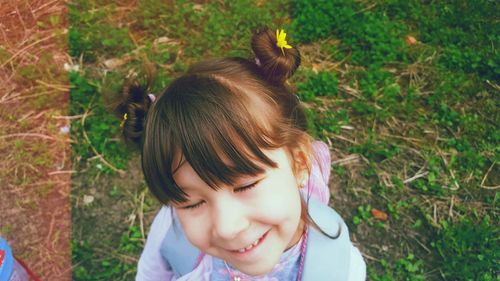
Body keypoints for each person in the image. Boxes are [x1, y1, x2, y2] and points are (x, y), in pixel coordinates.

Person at [115, 27, 366, 281]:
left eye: (246, 185)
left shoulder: (342, 269)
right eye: (193, 203)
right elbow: (150, 273)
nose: (227, 227)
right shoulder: (171, 227)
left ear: (299, 162)